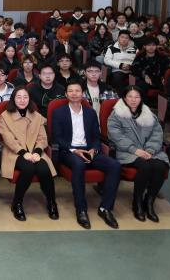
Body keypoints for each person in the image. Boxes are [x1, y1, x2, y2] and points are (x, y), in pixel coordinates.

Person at [51, 81, 121, 229]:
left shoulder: (90, 113)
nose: (74, 93)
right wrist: (74, 150)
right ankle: (81, 209)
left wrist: (94, 149)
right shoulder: (58, 113)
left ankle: (105, 208)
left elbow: (96, 136)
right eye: (71, 91)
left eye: (77, 91)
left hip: (89, 150)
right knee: (78, 164)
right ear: (66, 94)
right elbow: (56, 138)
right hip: (69, 151)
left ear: (83, 94)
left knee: (114, 165)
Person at [107, 86, 169, 222]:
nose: (133, 100)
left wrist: (150, 150)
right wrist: (135, 150)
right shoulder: (116, 115)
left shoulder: (149, 114)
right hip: (127, 152)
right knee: (145, 166)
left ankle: (149, 201)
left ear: (141, 99)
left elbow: (157, 134)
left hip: (149, 151)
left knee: (160, 166)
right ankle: (137, 202)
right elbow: (116, 136)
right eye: (130, 96)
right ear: (124, 98)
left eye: (137, 97)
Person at [0, 87, 58, 221]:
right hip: (15, 152)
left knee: (44, 169)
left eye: (25, 97)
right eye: (19, 97)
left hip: (35, 151)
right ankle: (17, 203)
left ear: (29, 99)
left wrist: (37, 152)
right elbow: (8, 139)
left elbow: (42, 138)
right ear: (13, 99)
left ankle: (51, 202)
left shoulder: (36, 116)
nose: (22, 100)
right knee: (29, 168)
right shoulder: (5, 116)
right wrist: (23, 152)